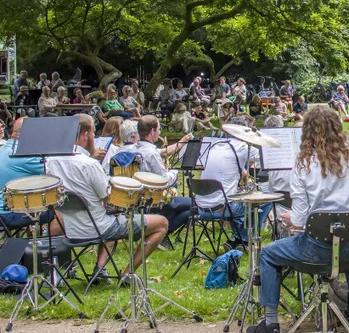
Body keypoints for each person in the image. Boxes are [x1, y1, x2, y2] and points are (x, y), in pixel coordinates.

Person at [250, 107, 349, 333]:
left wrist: (289, 218)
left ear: (306, 132)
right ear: (338, 129)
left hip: (314, 249)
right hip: (347, 249)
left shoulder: (303, 165)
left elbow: (299, 219)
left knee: (267, 254)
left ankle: (270, 323)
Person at [49, 114, 168, 283]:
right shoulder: (89, 164)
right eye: (92, 133)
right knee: (161, 223)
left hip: (70, 228)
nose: (93, 138)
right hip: (97, 228)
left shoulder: (52, 161)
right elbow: (110, 200)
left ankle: (100, 270)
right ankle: (128, 275)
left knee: (113, 216)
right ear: (85, 135)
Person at [192, 116, 268, 251]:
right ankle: (242, 238)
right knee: (267, 197)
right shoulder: (241, 147)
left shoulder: (214, 146)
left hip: (201, 207)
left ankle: (236, 238)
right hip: (223, 209)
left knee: (238, 196)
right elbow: (266, 157)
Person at [120, 116, 193, 247]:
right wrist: (175, 170)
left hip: (138, 197)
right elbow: (164, 181)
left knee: (183, 206)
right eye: (159, 129)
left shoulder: (132, 148)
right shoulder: (151, 153)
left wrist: (182, 141)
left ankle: (156, 230)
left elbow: (163, 152)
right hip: (154, 198)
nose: (160, 132)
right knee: (195, 205)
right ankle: (161, 233)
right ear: (152, 131)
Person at [0, 117, 63, 232]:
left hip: (5, 212)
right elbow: (57, 174)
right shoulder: (23, 155)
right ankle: (48, 249)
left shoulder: (4, 149)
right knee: (62, 211)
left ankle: (30, 244)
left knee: (34, 202)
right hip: (8, 214)